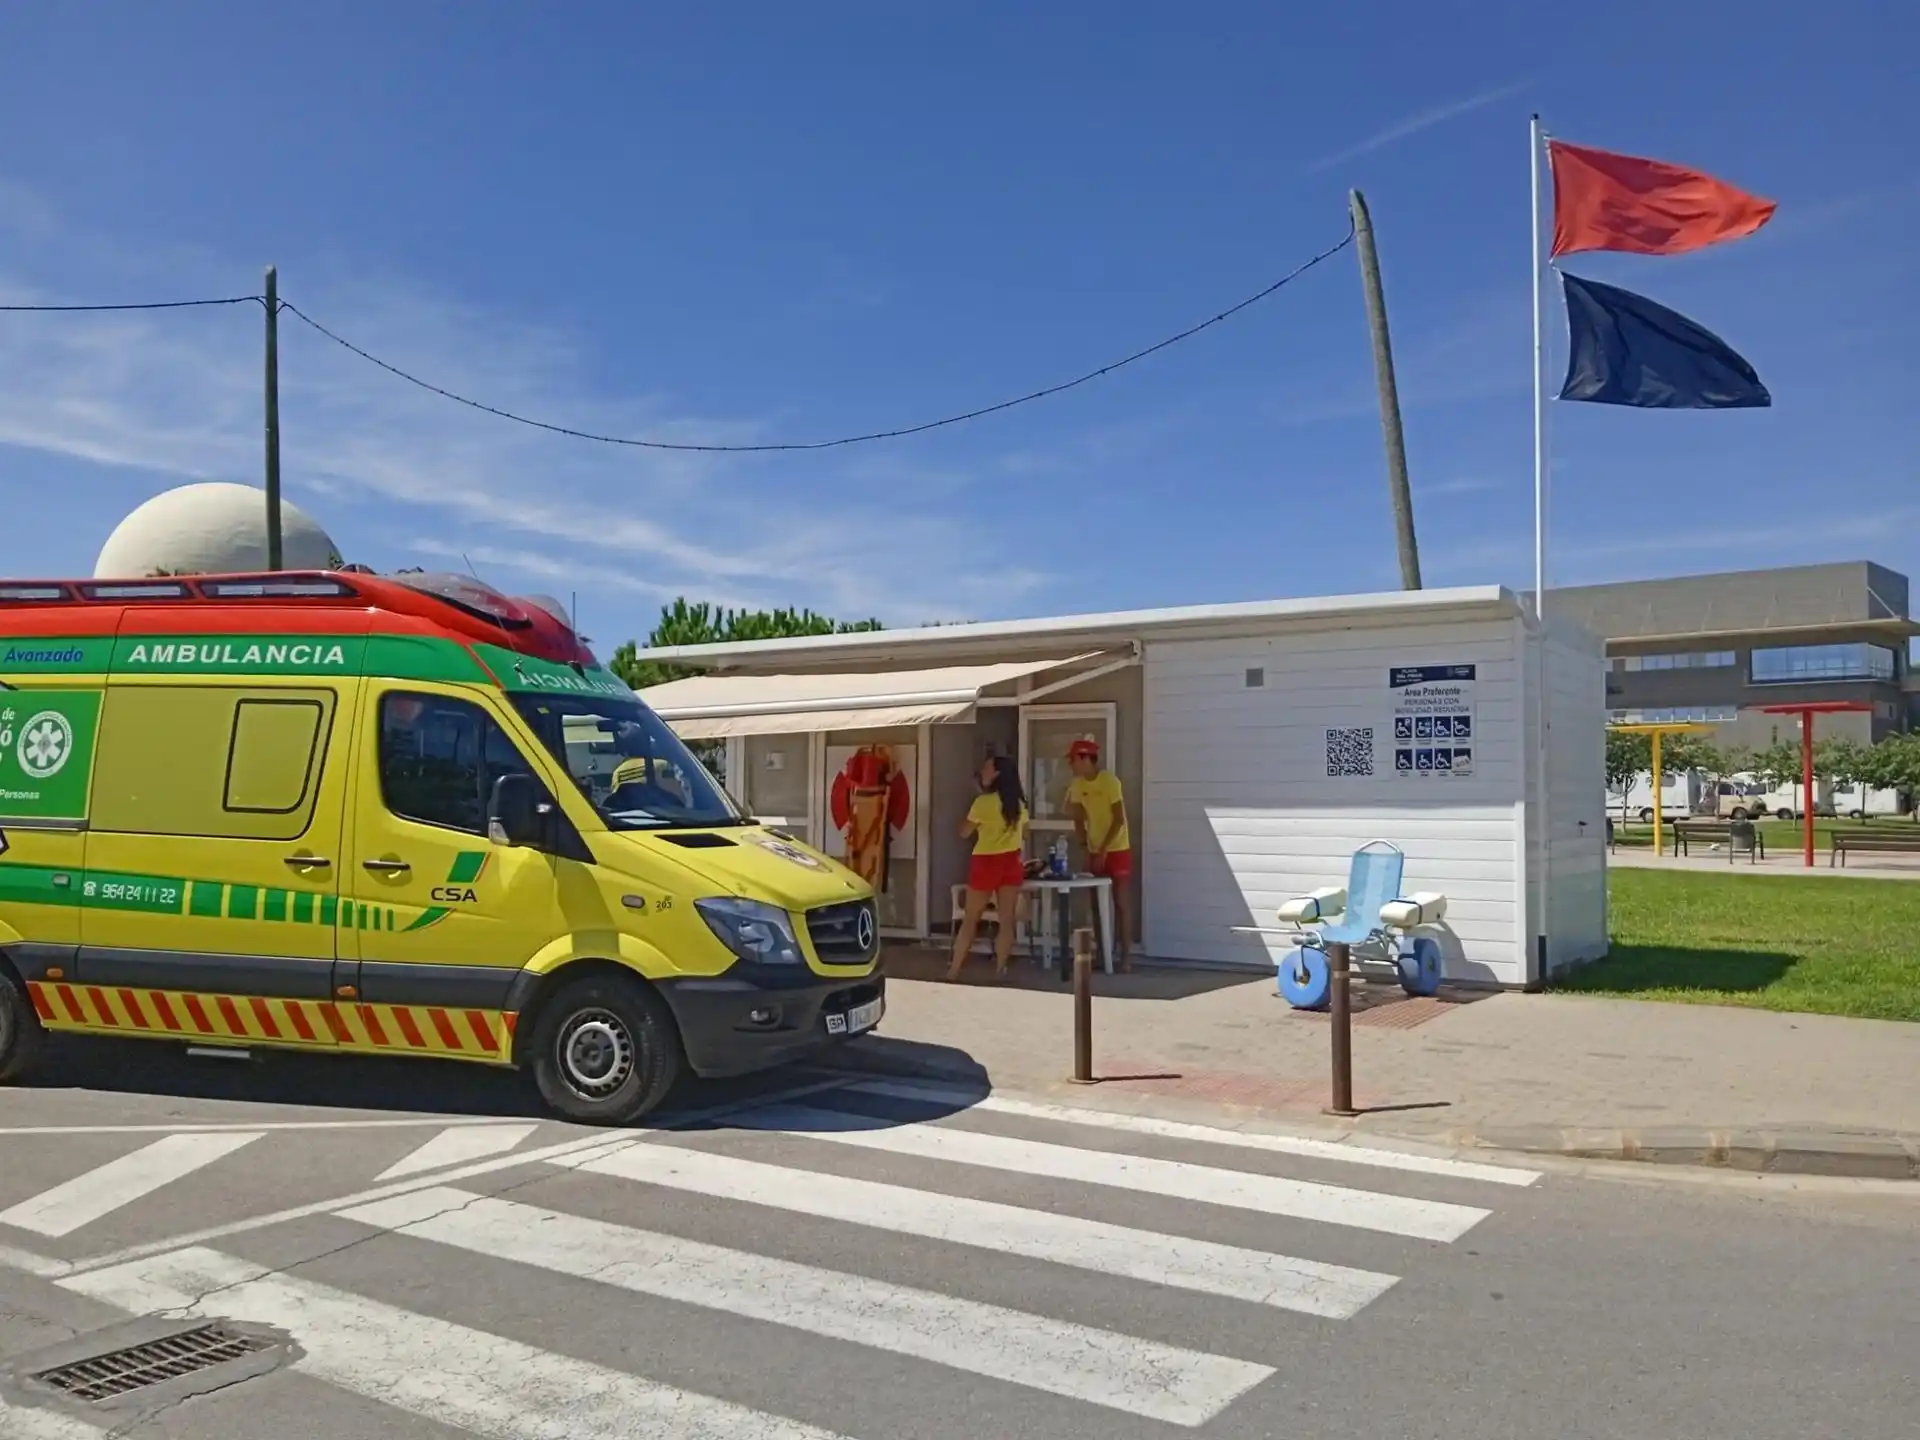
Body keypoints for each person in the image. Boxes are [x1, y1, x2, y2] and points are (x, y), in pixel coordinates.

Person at [947, 753, 1029, 982]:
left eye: (987, 768)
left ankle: (954, 970)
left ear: (997, 774)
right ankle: (1001, 969)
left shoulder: (983, 803)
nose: (983, 772)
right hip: (1011, 861)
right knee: (1006, 920)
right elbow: (1026, 832)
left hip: (986, 861)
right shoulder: (1019, 804)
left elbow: (964, 831)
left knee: (971, 918)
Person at [1065, 738, 1132, 969]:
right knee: (1096, 902)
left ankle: (1125, 957)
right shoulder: (1077, 785)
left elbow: (1119, 819)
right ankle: (1102, 954)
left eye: (1073, 760)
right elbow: (1077, 818)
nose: (1071, 765)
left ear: (1085, 758)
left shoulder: (1109, 781)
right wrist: (1085, 848)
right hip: (1094, 848)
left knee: (1121, 902)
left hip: (1117, 847)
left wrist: (1104, 849)